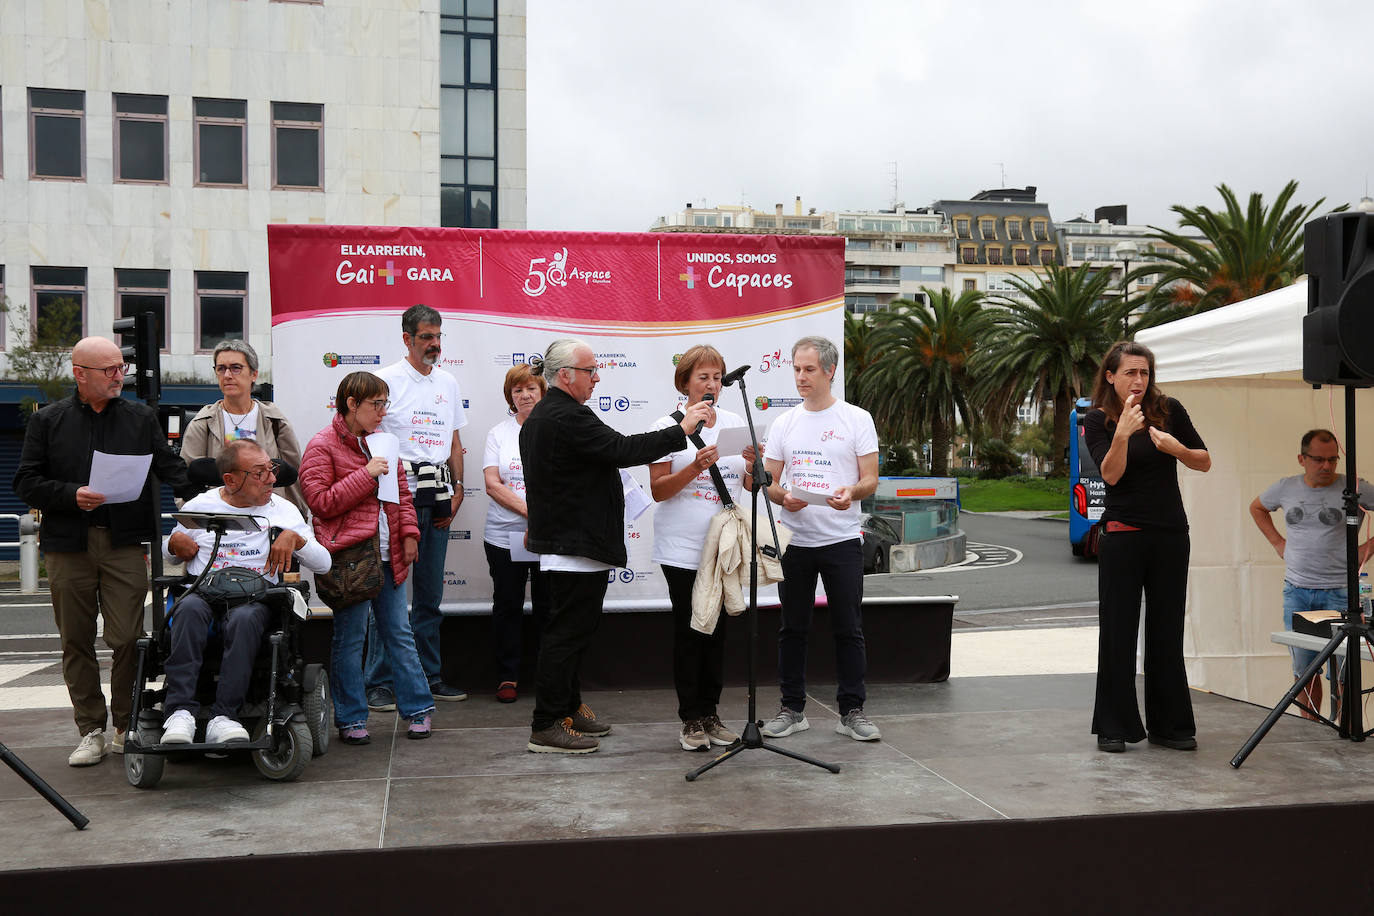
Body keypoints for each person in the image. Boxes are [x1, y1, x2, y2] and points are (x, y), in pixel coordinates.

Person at [520, 338, 712, 753]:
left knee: (574, 633)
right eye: (591, 370)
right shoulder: (565, 415)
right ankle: (546, 723)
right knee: (565, 635)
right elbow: (622, 449)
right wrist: (681, 429)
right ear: (566, 375)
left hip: (575, 544)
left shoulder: (556, 413)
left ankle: (567, 707)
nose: (597, 377)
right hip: (573, 546)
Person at [13, 336, 198, 766]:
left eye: (122, 368)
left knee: (129, 638)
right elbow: (25, 481)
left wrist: (221, 495)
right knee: (75, 640)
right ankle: (90, 730)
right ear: (80, 374)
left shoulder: (140, 417)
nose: (120, 376)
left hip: (124, 542)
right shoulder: (48, 421)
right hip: (67, 545)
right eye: (110, 370)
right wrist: (70, 494)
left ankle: (125, 724)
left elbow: (170, 468)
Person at [1083, 341, 1211, 753]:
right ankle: (1113, 725)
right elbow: (1111, 475)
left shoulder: (1169, 409)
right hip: (1123, 535)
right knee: (1118, 631)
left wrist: (1177, 449)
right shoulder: (1097, 419)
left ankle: (1170, 726)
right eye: (1130, 373)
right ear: (1110, 377)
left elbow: (1203, 460)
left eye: (1145, 373)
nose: (1138, 380)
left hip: (1170, 534)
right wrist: (1121, 434)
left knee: (1167, 631)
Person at [160, 440, 330, 743]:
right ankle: (180, 713)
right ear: (230, 479)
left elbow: (324, 563)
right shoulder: (200, 506)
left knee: (243, 619)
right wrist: (173, 544)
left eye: (271, 469)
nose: (272, 478)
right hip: (203, 592)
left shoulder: (283, 510)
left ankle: (225, 716)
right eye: (260, 472)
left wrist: (296, 539)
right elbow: (170, 552)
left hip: (255, 599)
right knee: (186, 609)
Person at [300, 371, 435, 743]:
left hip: (389, 554)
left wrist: (409, 534)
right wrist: (366, 473)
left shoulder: (384, 441)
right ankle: (351, 719)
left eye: (384, 404)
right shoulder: (322, 445)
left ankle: (419, 711)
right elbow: (321, 503)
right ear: (351, 404)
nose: (382, 412)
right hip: (350, 560)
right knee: (350, 639)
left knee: (399, 634)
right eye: (376, 404)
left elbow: (402, 495)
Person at [759, 336, 882, 743]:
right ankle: (792, 709)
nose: (800, 376)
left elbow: (870, 479)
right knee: (792, 628)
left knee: (848, 628)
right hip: (795, 541)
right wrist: (783, 497)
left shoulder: (856, 419)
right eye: (796, 369)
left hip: (842, 540)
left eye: (809, 369)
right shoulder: (784, 422)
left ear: (830, 371)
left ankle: (852, 711)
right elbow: (768, 482)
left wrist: (852, 492)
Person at [364, 304, 468, 711]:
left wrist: (458, 487)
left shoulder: (449, 382)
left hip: (438, 494)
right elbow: (367, 438)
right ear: (407, 339)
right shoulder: (385, 380)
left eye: (438, 336)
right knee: (389, 591)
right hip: (396, 496)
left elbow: (454, 441)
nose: (434, 344)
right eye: (426, 337)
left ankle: (429, 676)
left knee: (429, 594)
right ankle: (380, 681)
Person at [648, 344, 749, 751]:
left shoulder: (735, 422)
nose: (712, 385)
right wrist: (695, 466)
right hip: (682, 548)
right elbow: (658, 490)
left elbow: (750, 484)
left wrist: (755, 465)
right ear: (685, 382)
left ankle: (711, 713)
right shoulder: (667, 426)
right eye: (702, 377)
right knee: (691, 630)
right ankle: (690, 718)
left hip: (723, 546)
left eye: (717, 377)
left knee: (718, 632)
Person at [1249, 429, 1374, 720]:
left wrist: (1366, 549)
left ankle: (1344, 732)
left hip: (1342, 592)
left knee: (1344, 672)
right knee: (1304, 672)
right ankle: (1311, 731)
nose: (1326, 466)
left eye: (1333, 459)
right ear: (1302, 459)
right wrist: (1277, 543)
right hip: (1298, 591)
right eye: (1318, 459)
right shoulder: (1286, 487)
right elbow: (1257, 507)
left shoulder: (1354, 487)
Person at [482, 364, 551, 704]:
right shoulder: (499, 433)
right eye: (518, 390)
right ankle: (507, 675)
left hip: (549, 538)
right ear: (510, 396)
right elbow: (492, 484)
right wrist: (532, 514)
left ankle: (549, 677)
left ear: (543, 392)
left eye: (531, 389)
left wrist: (542, 521)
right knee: (507, 605)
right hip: (504, 537)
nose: (524, 395)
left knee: (548, 607)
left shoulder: (556, 430)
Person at [180, 339, 307, 515]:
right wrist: (198, 518)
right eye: (221, 368)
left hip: (267, 517)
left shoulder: (275, 421)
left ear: (254, 374)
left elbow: (294, 478)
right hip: (219, 519)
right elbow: (185, 479)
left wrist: (294, 517)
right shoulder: (203, 422)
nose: (227, 375)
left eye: (236, 368)